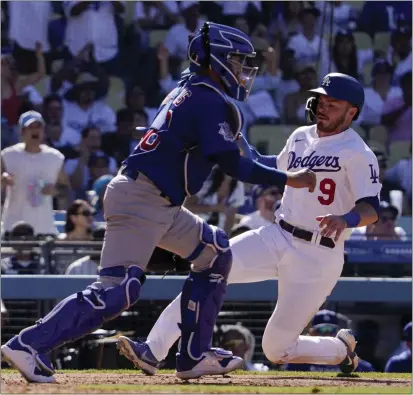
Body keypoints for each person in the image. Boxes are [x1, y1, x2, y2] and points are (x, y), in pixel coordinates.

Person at [1, 22, 315, 384]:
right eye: (235, 59)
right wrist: (290, 179)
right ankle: (29, 343)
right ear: (215, 59)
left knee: (215, 251)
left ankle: (193, 356)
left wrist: (291, 165)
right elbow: (233, 163)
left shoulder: (195, 91)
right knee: (118, 290)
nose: (243, 69)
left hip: (158, 202)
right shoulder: (208, 99)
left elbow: (247, 153)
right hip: (143, 198)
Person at [115, 72, 382, 378]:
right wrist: (240, 144)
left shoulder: (359, 153)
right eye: (321, 99)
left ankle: (339, 350)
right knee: (211, 265)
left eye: (333, 103)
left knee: (276, 349)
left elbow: (370, 209)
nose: (323, 106)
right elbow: (272, 164)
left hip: (319, 254)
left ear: (352, 112)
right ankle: (153, 349)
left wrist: (346, 219)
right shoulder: (300, 136)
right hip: (278, 234)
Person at [1, 111, 70, 235]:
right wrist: (3, 181)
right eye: (30, 127)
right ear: (22, 132)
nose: (35, 131)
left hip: (43, 228)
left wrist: (54, 190)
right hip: (13, 227)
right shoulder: (8, 155)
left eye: (38, 127)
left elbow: (65, 189)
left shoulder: (55, 157)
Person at [285, 310, 375, 372]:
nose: (326, 334)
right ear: (311, 333)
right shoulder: (297, 362)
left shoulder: (356, 364)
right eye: (321, 330)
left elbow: (366, 369)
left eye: (331, 330)